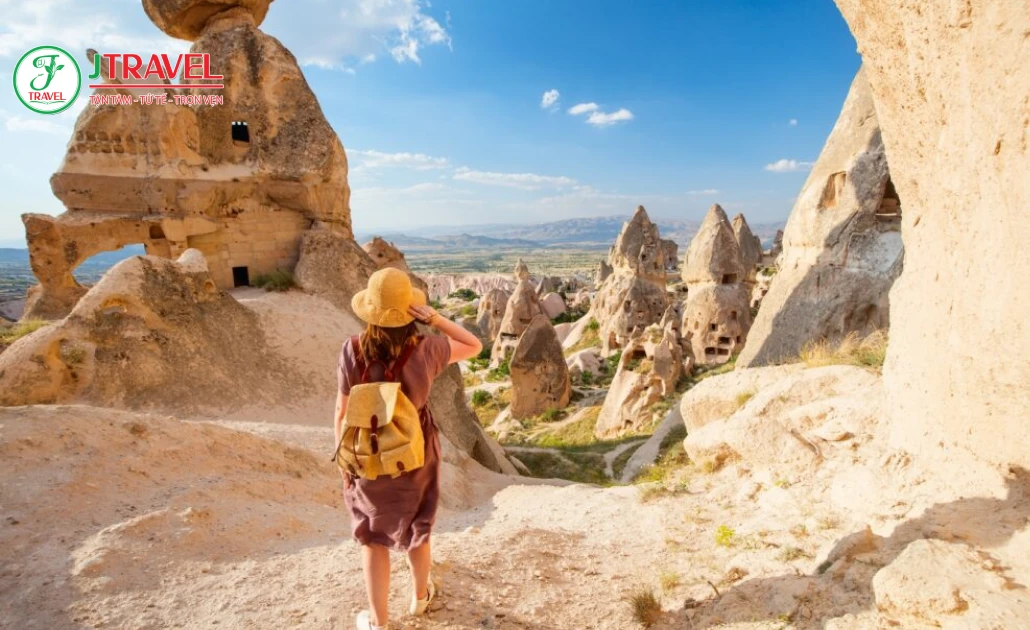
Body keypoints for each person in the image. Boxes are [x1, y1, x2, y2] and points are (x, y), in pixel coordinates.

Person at [334, 268, 483, 630]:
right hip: (416, 451)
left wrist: (343, 460)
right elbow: (474, 345)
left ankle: (379, 621)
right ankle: (419, 597)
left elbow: (341, 410)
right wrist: (436, 319)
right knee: (418, 525)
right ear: (410, 311)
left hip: (368, 452)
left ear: (370, 311)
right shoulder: (428, 348)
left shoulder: (352, 349)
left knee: (372, 537)